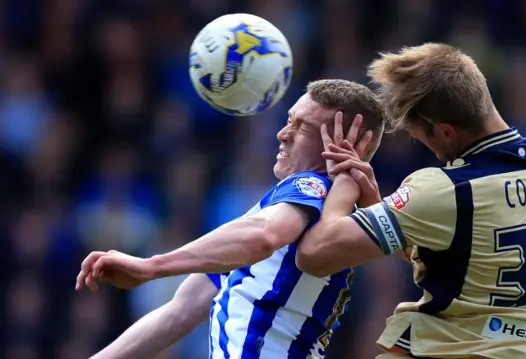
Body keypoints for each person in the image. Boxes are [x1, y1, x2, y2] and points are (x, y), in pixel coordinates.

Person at [296, 43, 526, 359]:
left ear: (446, 131)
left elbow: (315, 253)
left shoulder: (445, 190)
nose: (424, 145)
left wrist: (344, 182)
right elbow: (466, 257)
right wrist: (376, 205)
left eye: (420, 135)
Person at [75, 79, 387, 359]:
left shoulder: (315, 187)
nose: (282, 134)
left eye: (302, 127)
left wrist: (152, 265)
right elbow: (178, 313)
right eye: (289, 120)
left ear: (339, 145)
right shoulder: (301, 208)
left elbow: (266, 234)